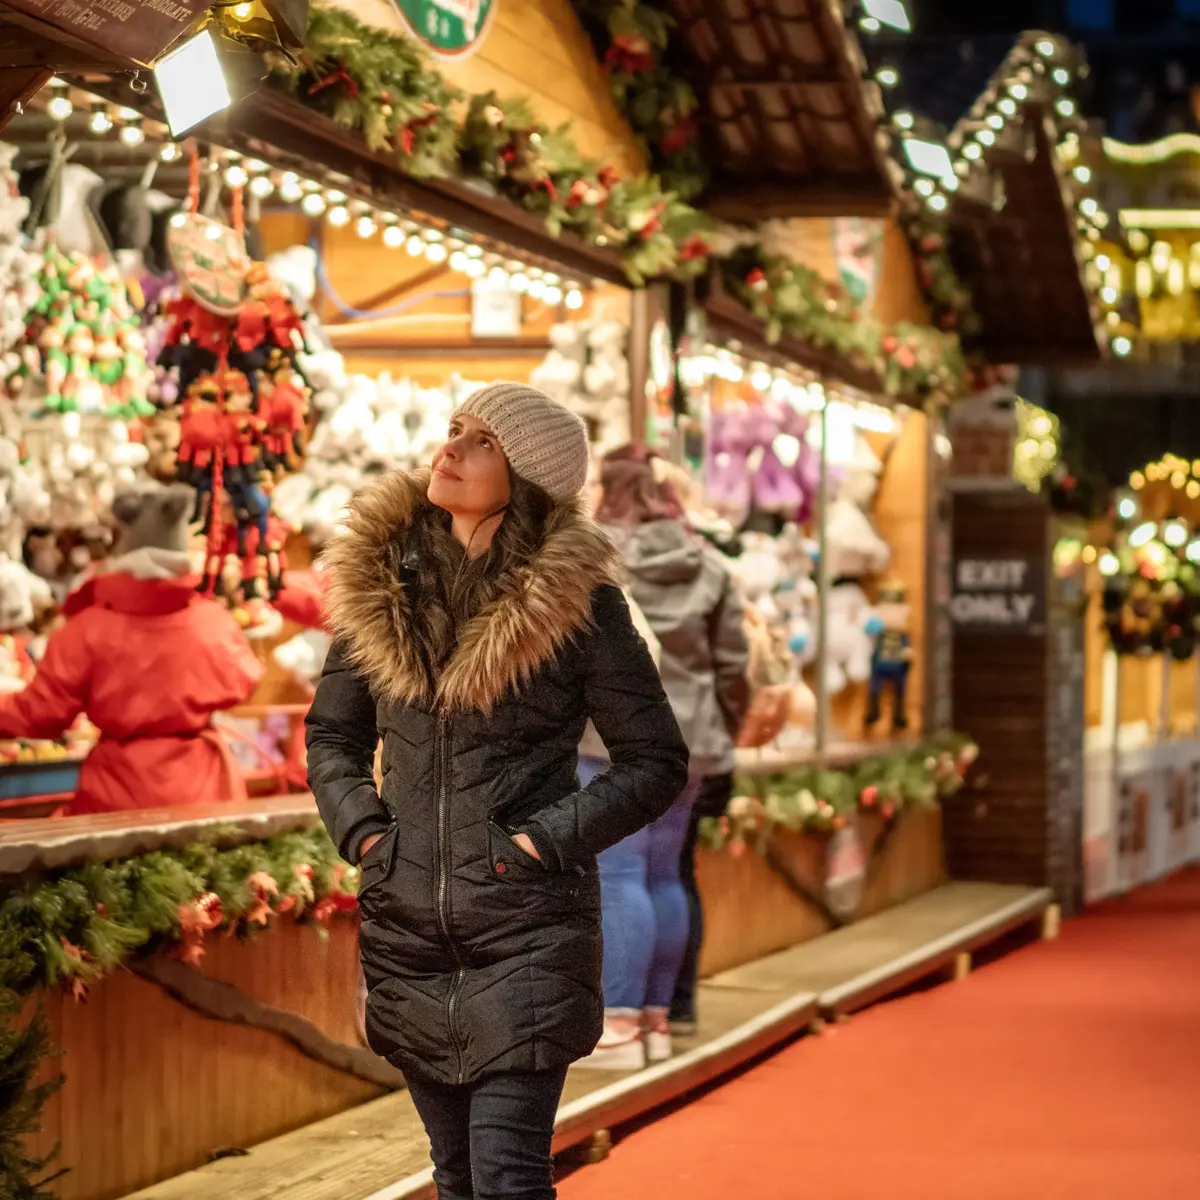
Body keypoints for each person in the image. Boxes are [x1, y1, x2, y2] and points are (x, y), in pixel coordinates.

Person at [305, 382, 688, 1200]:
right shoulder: (381, 594)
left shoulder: (578, 607)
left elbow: (653, 761)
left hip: (527, 928)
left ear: (529, 477)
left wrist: (540, 842)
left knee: (507, 1174)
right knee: (452, 1177)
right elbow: (332, 736)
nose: (450, 449)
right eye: (453, 430)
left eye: (482, 441)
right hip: (408, 929)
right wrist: (368, 836)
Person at [577, 445, 749, 1068]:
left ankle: (618, 1026)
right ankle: (655, 1019)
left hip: (611, 741)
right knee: (663, 874)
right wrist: (719, 730)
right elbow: (733, 666)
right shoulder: (708, 563)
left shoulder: (592, 558)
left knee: (618, 876)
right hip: (692, 742)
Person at [0, 485, 263, 813]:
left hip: (118, 796)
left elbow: (40, 714)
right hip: (206, 794)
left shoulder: (86, 629)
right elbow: (246, 681)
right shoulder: (215, 622)